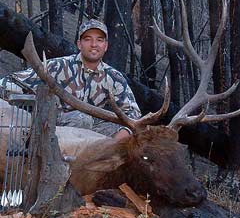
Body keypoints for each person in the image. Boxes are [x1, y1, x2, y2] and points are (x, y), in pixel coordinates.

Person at [0, 19, 141, 139]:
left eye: (99, 40)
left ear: (106, 46)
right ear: (79, 44)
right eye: (88, 39)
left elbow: (133, 114)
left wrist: (120, 137)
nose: (94, 44)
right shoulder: (57, 66)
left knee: (127, 133)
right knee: (82, 119)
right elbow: (9, 83)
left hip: (90, 134)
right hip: (53, 128)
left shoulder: (114, 77)